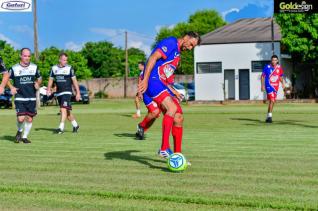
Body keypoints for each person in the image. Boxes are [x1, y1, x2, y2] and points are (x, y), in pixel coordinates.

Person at [138, 31, 200, 158]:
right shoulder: (171, 42)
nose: (190, 48)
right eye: (191, 44)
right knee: (171, 108)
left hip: (162, 84)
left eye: (193, 47)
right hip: (153, 81)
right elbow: (153, 57)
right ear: (186, 38)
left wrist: (175, 92)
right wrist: (144, 79)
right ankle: (164, 148)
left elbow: (167, 80)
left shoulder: (177, 57)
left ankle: (177, 156)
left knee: (178, 118)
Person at [7, 48, 42, 143]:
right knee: (21, 118)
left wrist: (38, 83)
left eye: (29, 56)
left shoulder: (34, 67)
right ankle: (19, 131)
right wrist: (11, 87)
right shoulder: (14, 68)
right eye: (25, 56)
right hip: (20, 97)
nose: (27, 58)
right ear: (20, 56)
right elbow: (7, 79)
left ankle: (24, 137)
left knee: (30, 119)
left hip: (31, 97)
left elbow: (39, 78)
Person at [47, 52, 80, 134]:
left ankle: (60, 128)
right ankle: (75, 125)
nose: (66, 62)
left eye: (66, 60)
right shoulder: (54, 68)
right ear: (59, 60)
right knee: (67, 112)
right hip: (59, 93)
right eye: (64, 60)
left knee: (62, 109)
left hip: (67, 92)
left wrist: (78, 92)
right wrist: (48, 89)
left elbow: (74, 81)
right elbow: (51, 79)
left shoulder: (70, 68)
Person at [261, 55, 285, 123]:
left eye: (275, 60)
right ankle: (270, 117)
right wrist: (262, 85)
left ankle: (268, 117)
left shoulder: (279, 67)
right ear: (271, 60)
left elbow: (280, 76)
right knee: (272, 100)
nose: (274, 61)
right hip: (268, 85)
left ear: (277, 61)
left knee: (272, 101)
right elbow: (262, 76)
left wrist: (283, 83)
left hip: (275, 86)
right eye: (273, 60)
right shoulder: (267, 67)